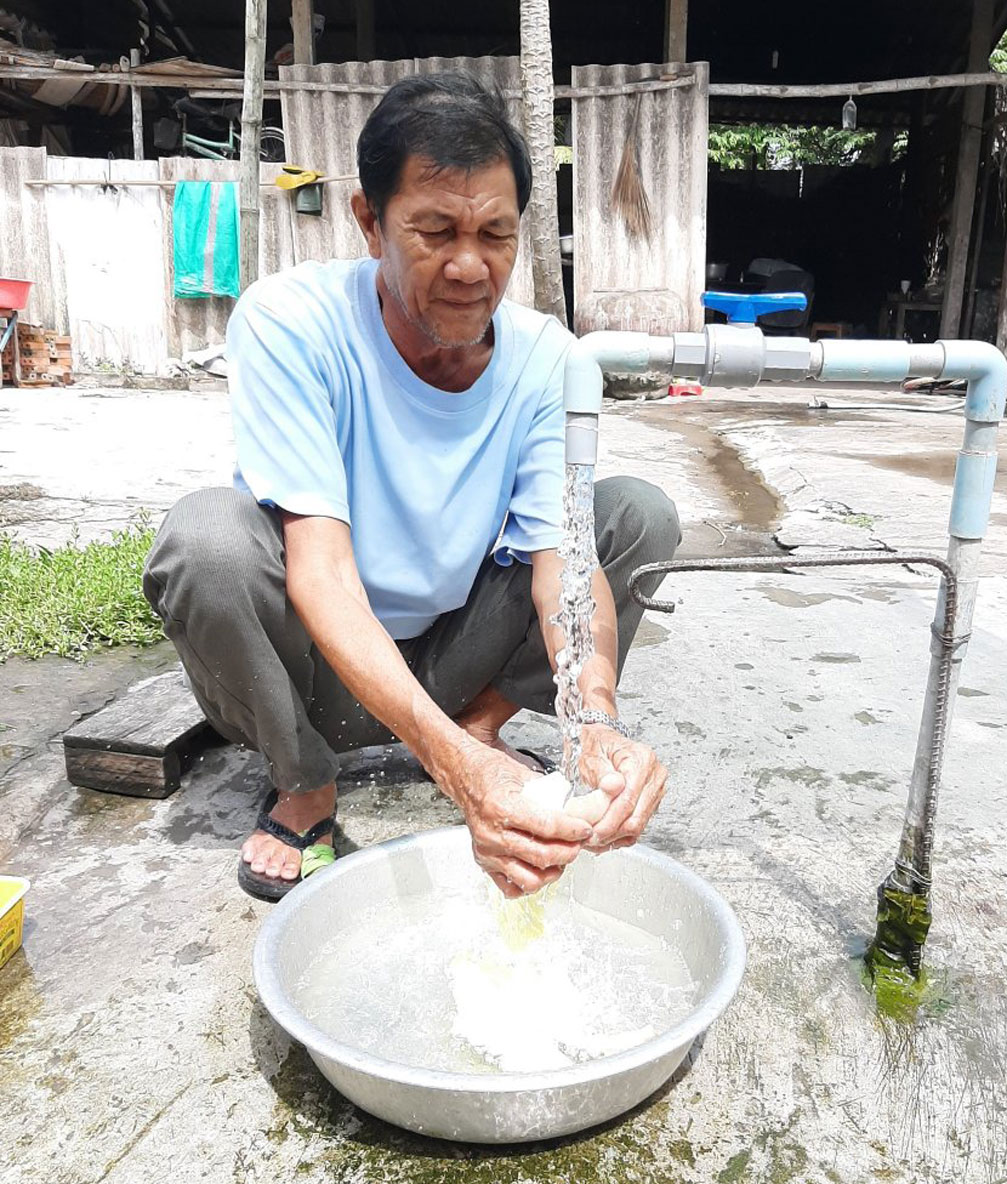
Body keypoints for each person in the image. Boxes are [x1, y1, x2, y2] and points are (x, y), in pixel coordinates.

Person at [143, 72, 681, 902]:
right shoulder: (293, 322)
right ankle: (303, 781)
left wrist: (596, 715)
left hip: (454, 656)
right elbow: (318, 568)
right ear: (369, 221)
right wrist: (455, 774)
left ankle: (478, 728)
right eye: (435, 230)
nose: (471, 266)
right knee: (205, 540)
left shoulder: (547, 358)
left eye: (496, 234)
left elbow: (559, 570)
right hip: (314, 676)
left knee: (634, 516)